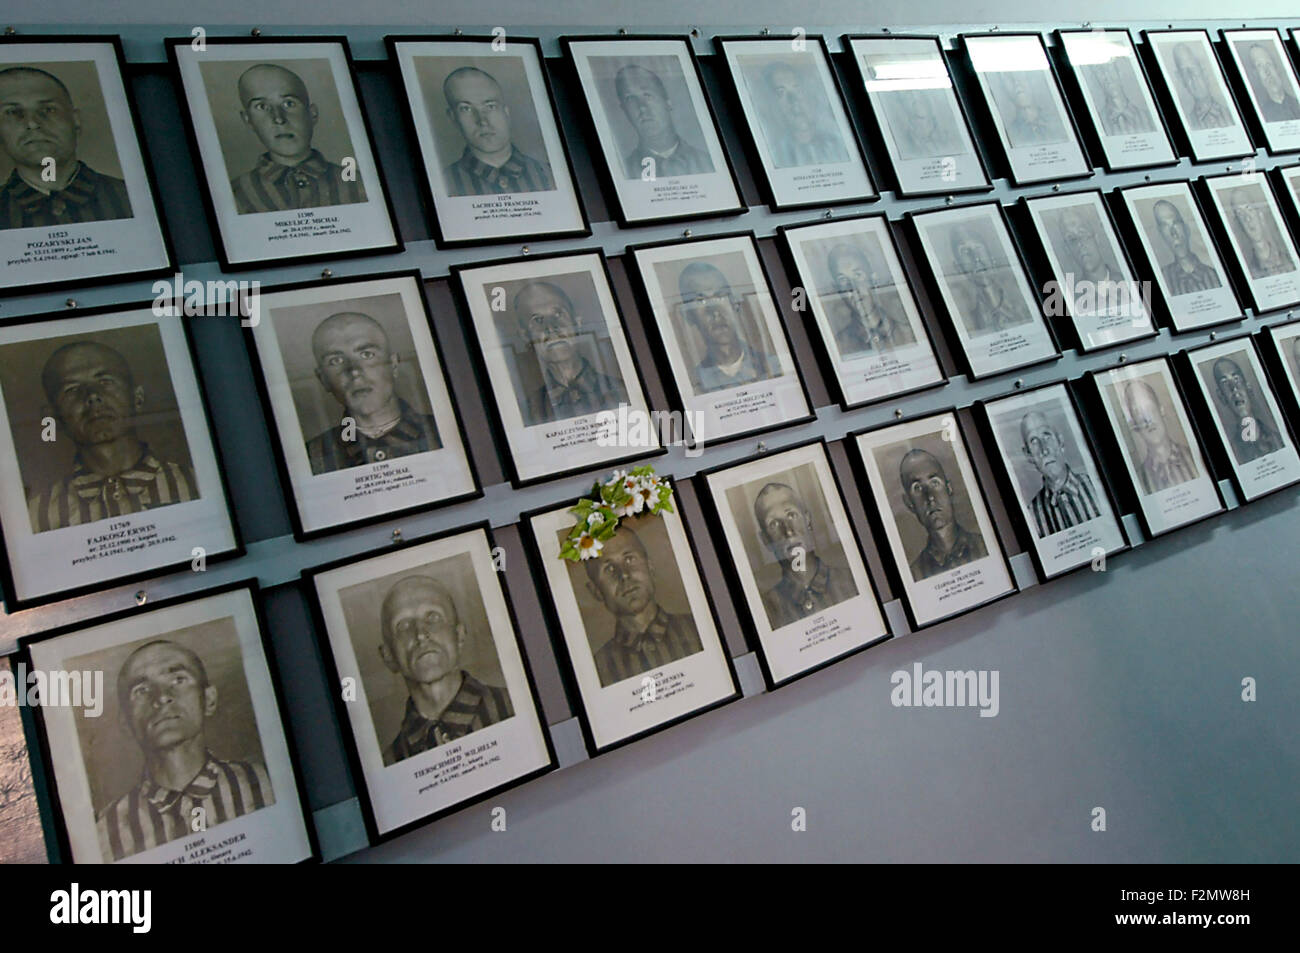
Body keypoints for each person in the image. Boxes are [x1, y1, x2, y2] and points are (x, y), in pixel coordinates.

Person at [96, 640, 274, 861]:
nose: (161, 697)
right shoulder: (104, 831)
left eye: (178, 680)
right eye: (141, 690)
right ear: (126, 722)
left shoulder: (266, 783)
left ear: (208, 700)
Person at [28, 340, 199, 533]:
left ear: (137, 398)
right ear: (53, 418)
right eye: (72, 389)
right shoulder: (36, 516)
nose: (92, 396)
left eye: (105, 382)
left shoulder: (196, 485)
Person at [378, 576, 514, 765]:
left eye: (433, 617)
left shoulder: (514, 708)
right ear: (388, 656)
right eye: (403, 626)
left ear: (458, 635)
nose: (420, 634)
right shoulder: (391, 763)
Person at [304, 311, 441, 475]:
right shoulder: (311, 456)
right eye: (336, 361)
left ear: (394, 365)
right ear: (323, 379)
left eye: (366, 354)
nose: (354, 371)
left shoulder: (443, 432)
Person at [0, 66, 132, 230]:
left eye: (48, 109)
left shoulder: (132, 198)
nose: (33, 123)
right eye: (13, 112)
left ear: (75, 120)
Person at [228, 63, 366, 214]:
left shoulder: (358, 184)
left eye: (289, 103)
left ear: (312, 113)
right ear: (248, 120)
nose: (279, 118)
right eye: (262, 107)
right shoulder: (234, 196)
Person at [584, 526, 703, 687]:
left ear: (650, 566)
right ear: (596, 591)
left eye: (629, 559)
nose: (624, 574)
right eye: (609, 568)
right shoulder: (596, 672)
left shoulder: (700, 631)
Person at [513, 280, 628, 425]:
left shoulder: (623, 391)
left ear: (577, 322)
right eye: (537, 320)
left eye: (558, 314)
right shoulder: (526, 412)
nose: (551, 328)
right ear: (525, 335)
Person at [752, 482, 857, 628]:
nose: (788, 531)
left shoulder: (852, 581)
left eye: (791, 515)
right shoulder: (766, 611)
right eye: (774, 524)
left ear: (807, 519)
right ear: (766, 539)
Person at [439, 66, 554, 196]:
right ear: (453, 118)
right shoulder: (440, 185)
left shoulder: (551, 174)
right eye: (466, 109)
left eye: (490, 106)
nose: (482, 120)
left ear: (506, 112)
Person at [677, 261, 778, 393]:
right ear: (688, 315)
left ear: (735, 304)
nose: (715, 312)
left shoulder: (774, 366)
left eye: (721, 296)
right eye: (700, 300)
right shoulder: (691, 384)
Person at [898, 447, 988, 581]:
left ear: (949, 488)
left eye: (934, 483)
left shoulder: (985, 548)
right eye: (917, 488)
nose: (930, 497)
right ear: (909, 503)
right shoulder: (914, 576)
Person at [615, 64, 713, 179]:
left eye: (647, 95)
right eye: (630, 99)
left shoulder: (709, 163)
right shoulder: (622, 174)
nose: (642, 107)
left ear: (667, 102)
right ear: (624, 110)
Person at [1018, 410, 1101, 538]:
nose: (1044, 449)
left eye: (1047, 436)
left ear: (1060, 442)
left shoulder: (1097, 488)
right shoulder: (1032, 515)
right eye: (1034, 441)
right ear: (1028, 455)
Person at [826, 243, 912, 355]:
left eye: (858, 275)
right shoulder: (838, 347)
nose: (853, 287)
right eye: (843, 280)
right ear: (837, 289)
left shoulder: (909, 333)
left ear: (873, 279)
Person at [761, 61, 847, 167]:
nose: (794, 100)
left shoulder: (839, 144)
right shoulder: (773, 155)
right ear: (772, 104)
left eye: (797, 89)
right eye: (781, 92)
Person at [949, 224, 1031, 333]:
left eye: (978, 248)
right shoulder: (966, 317)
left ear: (993, 259)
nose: (976, 258)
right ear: (958, 267)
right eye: (965, 251)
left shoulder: (1023, 303)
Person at [1122, 379, 1199, 493]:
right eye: (1138, 412)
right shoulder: (1139, 481)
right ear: (1134, 424)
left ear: (1161, 410)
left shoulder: (1196, 458)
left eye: (1149, 407)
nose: (1147, 420)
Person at [1210, 355, 1283, 464]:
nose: (1234, 389)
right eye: (1225, 383)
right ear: (1221, 396)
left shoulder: (1277, 439)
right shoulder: (1232, 453)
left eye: (1236, 379)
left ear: (1248, 388)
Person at [1057, 207, 1120, 313]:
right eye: (1072, 239)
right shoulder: (1071, 301)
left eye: (1082, 234)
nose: (1079, 244)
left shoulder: (1129, 283)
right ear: (1067, 249)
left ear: (1096, 239)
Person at [1152, 199, 1221, 295]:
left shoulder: (1215, 274)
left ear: (1186, 229)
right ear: (1161, 234)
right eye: (1165, 226)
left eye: (1175, 223)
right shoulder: (1161, 279)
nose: (1173, 233)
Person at [1227, 188, 1294, 279]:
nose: (1247, 219)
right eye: (1240, 214)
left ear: (1260, 215)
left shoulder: (1290, 261)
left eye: (1249, 209)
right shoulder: (1249, 273)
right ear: (1239, 223)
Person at [1172, 43, 1234, 130]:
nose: (1193, 77)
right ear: (1181, 80)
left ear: (1204, 73)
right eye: (1185, 72)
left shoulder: (1232, 114)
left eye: (1194, 69)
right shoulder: (1187, 123)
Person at [1090, 58, 1153, 135]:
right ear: (1096, 78)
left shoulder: (1149, 118)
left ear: (1119, 72)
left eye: (1110, 68)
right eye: (1099, 71)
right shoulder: (1097, 123)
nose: (1107, 77)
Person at [999, 71, 1059, 146]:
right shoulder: (1009, 133)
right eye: (1009, 79)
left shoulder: (1057, 124)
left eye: (1020, 77)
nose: (1016, 83)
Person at [1244, 42, 1300, 122]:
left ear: (1276, 68)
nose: (1267, 71)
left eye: (1269, 64)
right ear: (1255, 74)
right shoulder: (1260, 114)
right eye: (1259, 66)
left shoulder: (1297, 103)